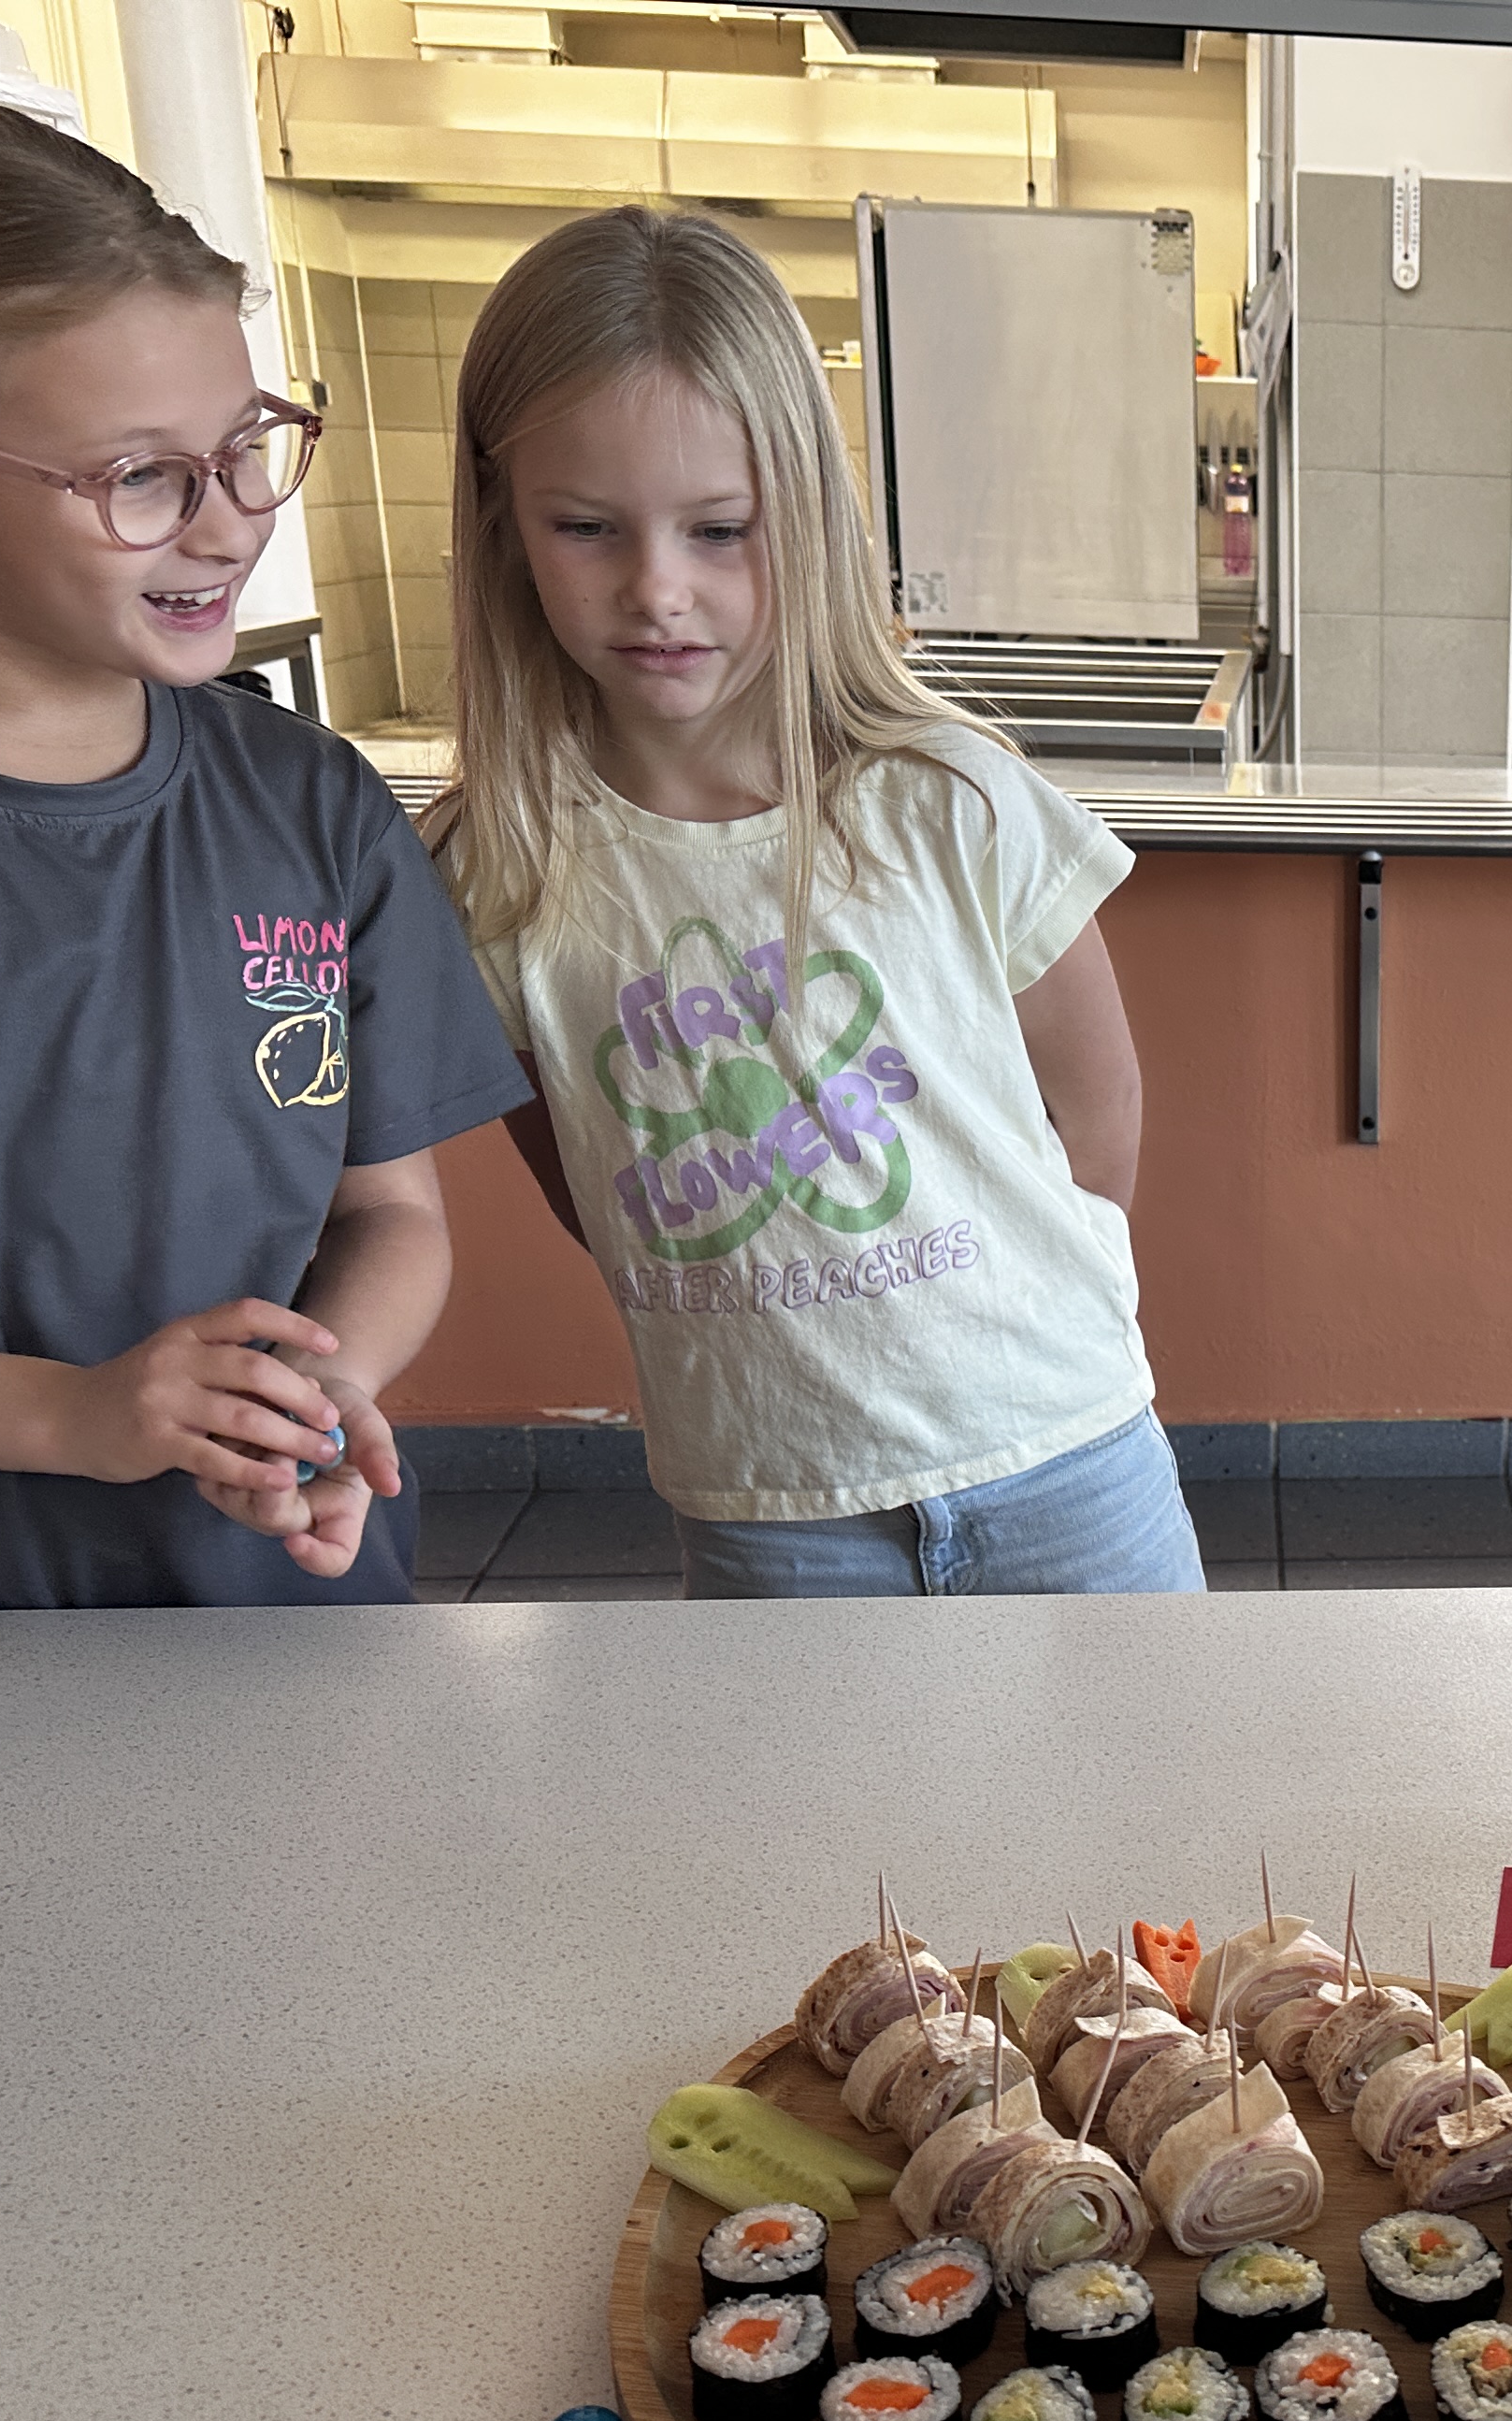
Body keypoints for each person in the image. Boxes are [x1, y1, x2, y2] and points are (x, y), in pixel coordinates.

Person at [0, 101, 526, 1645]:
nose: (227, 527)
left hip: (283, 1621)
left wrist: (306, 1403)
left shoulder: (312, 802)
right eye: (141, 476)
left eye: (246, 447)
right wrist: (73, 1416)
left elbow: (391, 1216)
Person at [432, 208, 1201, 1597]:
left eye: (722, 529)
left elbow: (1097, 1112)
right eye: (587, 528)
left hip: (1069, 1459)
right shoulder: (495, 874)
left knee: (1149, 1753)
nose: (659, 589)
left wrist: (1011, 1336)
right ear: (504, 525)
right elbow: (602, 1190)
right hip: (772, 1505)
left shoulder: (950, 800)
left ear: (807, 511)